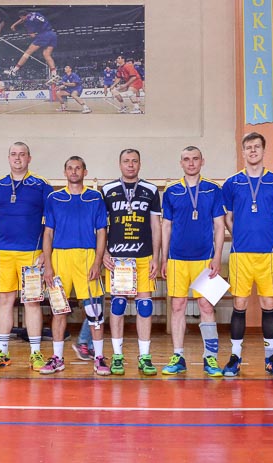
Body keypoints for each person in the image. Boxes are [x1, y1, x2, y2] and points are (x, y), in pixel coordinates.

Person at [0, 142, 54, 371]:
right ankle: (1, 352)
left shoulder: (41, 185)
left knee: (32, 302)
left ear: (29, 158)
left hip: (31, 254)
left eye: (22, 154)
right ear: (8, 158)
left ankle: (35, 353)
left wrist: (45, 252)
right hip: (2, 254)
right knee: (4, 301)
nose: (18, 158)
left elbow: (51, 223)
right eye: (13, 154)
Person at [221, 133, 273, 378]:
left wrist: (268, 236)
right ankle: (235, 358)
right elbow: (228, 217)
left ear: (263, 150)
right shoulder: (232, 183)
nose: (252, 151)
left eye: (256, 147)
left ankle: (271, 359)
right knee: (239, 305)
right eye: (248, 147)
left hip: (268, 254)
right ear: (243, 152)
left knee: (268, 305)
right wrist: (237, 234)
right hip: (240, 254)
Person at [161, 146, 225, 377]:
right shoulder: (171, 191)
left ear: (202, 161)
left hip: (205, 259)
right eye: (186, 159)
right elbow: (166, 226)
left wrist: (217, 256)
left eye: (195, 159)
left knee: (206, 306)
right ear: (181, 163)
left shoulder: (213, 189)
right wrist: (164, 257)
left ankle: (211, 357)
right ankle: (178, 356)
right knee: (177, 306)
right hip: (177, 259)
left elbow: (219, 225)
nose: (191, 163)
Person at [41, 156, 108, 375]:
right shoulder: (54, 198)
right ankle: (57, 358)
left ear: (85, 172)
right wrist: (48, 265)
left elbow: (101, 232)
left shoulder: (95, 197)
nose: (74, 171)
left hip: (87, 257)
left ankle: (98, 357)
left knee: (94, 311)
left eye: (78, 168)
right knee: (59, 311)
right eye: (70, 168)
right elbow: (48, 232)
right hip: (60, 258)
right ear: (65, 172)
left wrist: (98, 262)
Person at [101, 149, 161, 376]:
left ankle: (144, 356)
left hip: (143, 256)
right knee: (117, 305)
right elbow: (101, 226)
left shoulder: (151, 190)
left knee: (145, 307)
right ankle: (117, 355)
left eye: (135, 161)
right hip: (117, 259)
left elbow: (156, 225)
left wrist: (156, 256)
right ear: (119, 164)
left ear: (140, 164)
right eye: (126, 161)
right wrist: (104, 252)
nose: (130, 165)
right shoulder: (106, 190)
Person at [5, 10, 58, 81]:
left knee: (28, 52)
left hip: (43, 35)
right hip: (52, 34)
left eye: (22, 18)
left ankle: (14, 70)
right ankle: (54, 74)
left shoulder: (29, 22)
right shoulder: (35, 13)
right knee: (46, 54)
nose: (22, 19)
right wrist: (14, 24)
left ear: (22, 16)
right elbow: (23, 19)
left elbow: (32, 35)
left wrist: (32, 34)